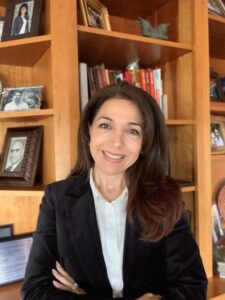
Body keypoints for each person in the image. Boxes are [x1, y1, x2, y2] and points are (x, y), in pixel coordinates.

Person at [21, 82, 207, 299]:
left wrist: (80, 294)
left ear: (145, 142)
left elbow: (193, 287)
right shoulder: (58, 198)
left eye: (132, 131)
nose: (116, 142)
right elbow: (34, 291)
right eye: (105, 126)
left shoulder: (165, 197)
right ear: (89, 128)